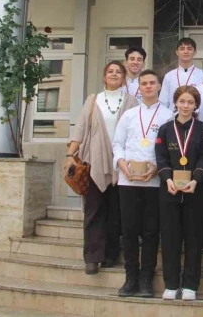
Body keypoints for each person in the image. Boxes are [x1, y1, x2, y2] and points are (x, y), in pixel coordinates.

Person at [65, 61, 138, 276]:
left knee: (116, 213)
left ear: (124, 78)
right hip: (94, 162)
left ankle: (110, 255)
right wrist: (70, 155)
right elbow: (80, 129)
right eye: (110, 71)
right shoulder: (93, 100)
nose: (114, 74)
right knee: (94, 210)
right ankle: (92, 257)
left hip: (122, 164)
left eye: (119, 72)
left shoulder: (132, 101)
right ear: (104, 77)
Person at [111, 69, 174, 297]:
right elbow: (117, 144)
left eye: (152, 83)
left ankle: (147, 279)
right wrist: (122, 164)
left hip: (154, 182)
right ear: (139, 88)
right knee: (129, 231)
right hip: (128, 182)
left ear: (159, 86)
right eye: (144, 83)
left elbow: (169, 149)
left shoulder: (168, 116)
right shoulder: (129, 115)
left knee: (150, 232)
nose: (148, 87)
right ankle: (131, 278)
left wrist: (157, 168)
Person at [155, 85, 203, 301]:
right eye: (182, 101)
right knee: (170, 239)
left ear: (196, 105)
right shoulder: (165, 129)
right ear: (175, 103)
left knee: (193, 239)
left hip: (195, 192)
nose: (186, 106)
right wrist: (168, 179)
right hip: (169, 191)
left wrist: (196, 180)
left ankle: (190, 285)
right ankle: (171, 284)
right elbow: (161, 157)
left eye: (190, 102)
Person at [159, 38, 203, 111]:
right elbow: (163, 102)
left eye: (189, 49)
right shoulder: (169, 76)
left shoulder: (202, 75)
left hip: (196, 115)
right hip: (173, 115)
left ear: (195, 52)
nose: (185, 52)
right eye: (182, 49)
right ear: (177, 52)